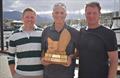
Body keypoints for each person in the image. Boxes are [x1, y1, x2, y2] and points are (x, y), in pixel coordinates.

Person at [77, 2, 118, 78]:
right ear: (85, 14)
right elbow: (78, 54)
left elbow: (114, 61)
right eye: (88, 13)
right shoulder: (81, 32)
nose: (91, 16)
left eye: (94, 13)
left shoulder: (109, 33)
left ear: (99, 14)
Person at [41, 2, 78, 78]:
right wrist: (42, 60)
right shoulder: (46, 31)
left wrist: (71, 57)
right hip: (48, 75)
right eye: (56, 12)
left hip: (67, 75)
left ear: (66, 15)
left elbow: (79, 52)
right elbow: (42, 51)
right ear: (52, 14)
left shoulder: (74, 32)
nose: (59, 15)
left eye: (62, 13)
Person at [7, 7, 43, 78]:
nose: (29, 19)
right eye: (27, 17)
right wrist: (13, 74)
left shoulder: (42, 33)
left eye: (32, 17)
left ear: (35, 18)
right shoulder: (14, 35)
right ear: (22, 18)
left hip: (40, 74)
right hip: (20, 74)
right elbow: (11, 57)